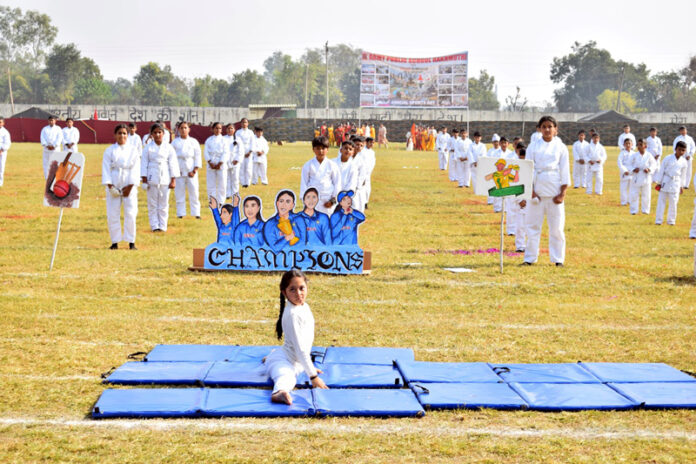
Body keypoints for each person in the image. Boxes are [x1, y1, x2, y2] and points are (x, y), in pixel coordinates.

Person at [264, 270, 327, 405]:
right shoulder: (292, 314)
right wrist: (313, 377)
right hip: (284, 361)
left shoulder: (304, 307)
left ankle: (270, 358)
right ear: (284, 292)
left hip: (295, 361)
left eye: (301, 288)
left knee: (293, 369)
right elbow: (301, 349)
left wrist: (307, 366)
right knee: (287, 378)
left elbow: (303, 347)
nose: (298, 293)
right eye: (292, 290)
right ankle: (278, 393)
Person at [521, 116, 570, 267]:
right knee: (532, 227)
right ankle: (529, 258)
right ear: (539, 129)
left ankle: (558, 259)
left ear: (556, 129)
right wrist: (531, 191)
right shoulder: (533, 146)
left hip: (554, 190)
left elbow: (565, 170)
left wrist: (562, 193)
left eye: (550, 126)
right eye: (544, 127)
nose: (547, 129)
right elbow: (527, 168)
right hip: (537, 190)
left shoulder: (561, 147)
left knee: (556, 228)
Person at [102, 124, 140, 250]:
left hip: (129, 181)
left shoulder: (133, 150)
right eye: (119, 133)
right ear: (115, 135)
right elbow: (106, 168)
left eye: (124, 133)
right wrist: (110, 185)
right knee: (113, 213)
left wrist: (130, 186)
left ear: (127, 135)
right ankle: (115, 241)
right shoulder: (109, 150)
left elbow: (136, 168)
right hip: (114, 179)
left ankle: (131, 241)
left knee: (130, 212)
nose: (122, 136)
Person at [141, 123, 180, 232]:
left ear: (163, 133)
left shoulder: (169, 147)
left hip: (165, 177)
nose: (157, 135)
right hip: (152, 176)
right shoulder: (148, 148)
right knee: (152, 204)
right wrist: (144, 179)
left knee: (163, 203)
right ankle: (154, 226)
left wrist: (173, 180)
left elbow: (173, 164)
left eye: (159, 132)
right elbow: (144, 163)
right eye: (155, 133)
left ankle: (163, 226)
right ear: (151, 134)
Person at [300, 136, 342, 215]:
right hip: (312, 199)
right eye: (318, 148)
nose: (321, 151)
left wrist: (333, 200)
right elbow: (304, 183)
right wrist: (305, 200)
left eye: (323, 148)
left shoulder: (332, 165)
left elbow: (337, 183)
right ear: (313, 149)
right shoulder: (308, 165)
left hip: (328, 199)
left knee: (327, 223)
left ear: (327, 149)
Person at [171, 121, 202, 219]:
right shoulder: (175, 142)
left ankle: (196, 213)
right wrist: (176, 170)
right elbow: (172, 158)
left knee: (194, 192)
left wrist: (194, 170)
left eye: (185, 128)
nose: (183, 130)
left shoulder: (194, 141)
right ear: (178, 130)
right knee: (179, 193)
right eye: (181, 128)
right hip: (179, 170)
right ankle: (180, 213)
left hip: (191, 169)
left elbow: (197, 156)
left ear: (189, 129)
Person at [654, 141, 687, 226]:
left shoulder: (684, 162)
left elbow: (683, 175)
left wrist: (681, 186)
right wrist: (659, 182)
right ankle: (658, 220)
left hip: (676, 182)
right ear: (675, 149)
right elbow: (661, 171)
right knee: (661, 202)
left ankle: (671, 221)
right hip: (666, 180)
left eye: (683, 150)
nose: (681, 152)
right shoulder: (667, 158)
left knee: (673, 203)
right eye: (679, 149)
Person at [627, 139, 657, 215]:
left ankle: (645, 210)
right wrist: (633, 169)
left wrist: (649, 169)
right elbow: (628, 164)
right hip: (636, 177)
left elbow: (654, 164)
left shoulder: (649, 155)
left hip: (646, 176)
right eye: (638, 145)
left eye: (641, 145)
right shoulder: (634, 155)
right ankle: (633, 210)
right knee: (634, 194)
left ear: (645, 146)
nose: (639, 146)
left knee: (646, 195)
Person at [204, 122, 230, 205]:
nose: (218, 130)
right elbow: (206, 152)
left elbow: (226, 152)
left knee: (222, 184)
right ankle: (212, 200)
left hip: (221, 164)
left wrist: (220, 163)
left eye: (219, 128)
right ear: (212, 129)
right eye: (216, 128)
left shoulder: (224, 140)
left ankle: (221, 201)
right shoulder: (209, 140)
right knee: (211, 184)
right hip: (211, 164)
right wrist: (210, 162)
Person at [514, 148, 528, 252]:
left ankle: (531, 246)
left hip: (530, 201)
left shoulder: (531, 169)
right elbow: (514, 186)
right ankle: (520, 246)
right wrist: (519, 200)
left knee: (530, 226)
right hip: (519, 201)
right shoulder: (515, 170)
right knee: (520, 226)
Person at [224, 124, 243, 200]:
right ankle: (227, 193)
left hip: (235, 161)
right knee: (227, 178)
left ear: (234, 130)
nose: (230, 130)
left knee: (235, 178)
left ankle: (235, 193)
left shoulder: (238, 139)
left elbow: (241, 151)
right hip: (226, 161)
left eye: (231, 128)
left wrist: (237, 160)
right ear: (226, 130)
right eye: (228, 128)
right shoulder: (223, 139)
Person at [236, 118, 255, 187]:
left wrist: (250, 152)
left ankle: (248, 182)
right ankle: (242, 182)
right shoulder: (238, 132)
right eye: (243, 122)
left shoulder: (250, 132)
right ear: (241, 123)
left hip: (248, 152)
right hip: (241, 152)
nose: (244, 124)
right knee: (241, 168)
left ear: (248, 123)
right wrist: (241, 153)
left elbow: (253, 142)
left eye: (245, 122)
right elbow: (237, 143)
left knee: (248, 168)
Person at [617, 138, 634, 206]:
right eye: (626, 143)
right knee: (623, 188)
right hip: (624, 172)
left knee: (632, 188)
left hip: (632, 172)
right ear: (624, 145)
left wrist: (633, 170)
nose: (628, 145)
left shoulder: (634, 153)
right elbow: (619, 163)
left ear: (632, 144)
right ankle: (623, 202)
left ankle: (630, 201)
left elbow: (636, 163)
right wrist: (624, 170)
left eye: (629, 143)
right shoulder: (622, 153)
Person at [362, 137, 377, 210]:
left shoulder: (372, 152)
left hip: (368, 173)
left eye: (373, 143)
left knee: (368, 189)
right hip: (362, 173)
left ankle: (366, 203)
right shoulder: (362, 151)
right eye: (370, 142)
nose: (371, 144)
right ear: (366, 142)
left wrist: (369, 171)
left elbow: (373, 163)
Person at [0, 117, 11, 187]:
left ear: (3, 123)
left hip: (2, 152)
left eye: (0, 122)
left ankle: (0, 182)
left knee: (1, 167)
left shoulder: (5, 132)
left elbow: (7, 143)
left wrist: (2, 149)